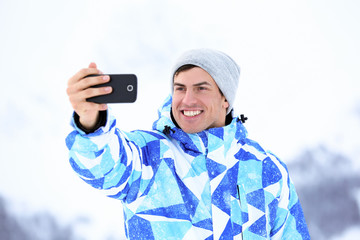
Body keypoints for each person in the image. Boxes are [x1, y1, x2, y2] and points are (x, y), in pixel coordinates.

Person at [66, 49, 310, 240]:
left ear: (225, 98)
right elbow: (102, 166)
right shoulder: (149, 156)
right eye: (179, 88)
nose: (187, 100)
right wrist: (90, 122)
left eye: (201, 88)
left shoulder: (266, 170)